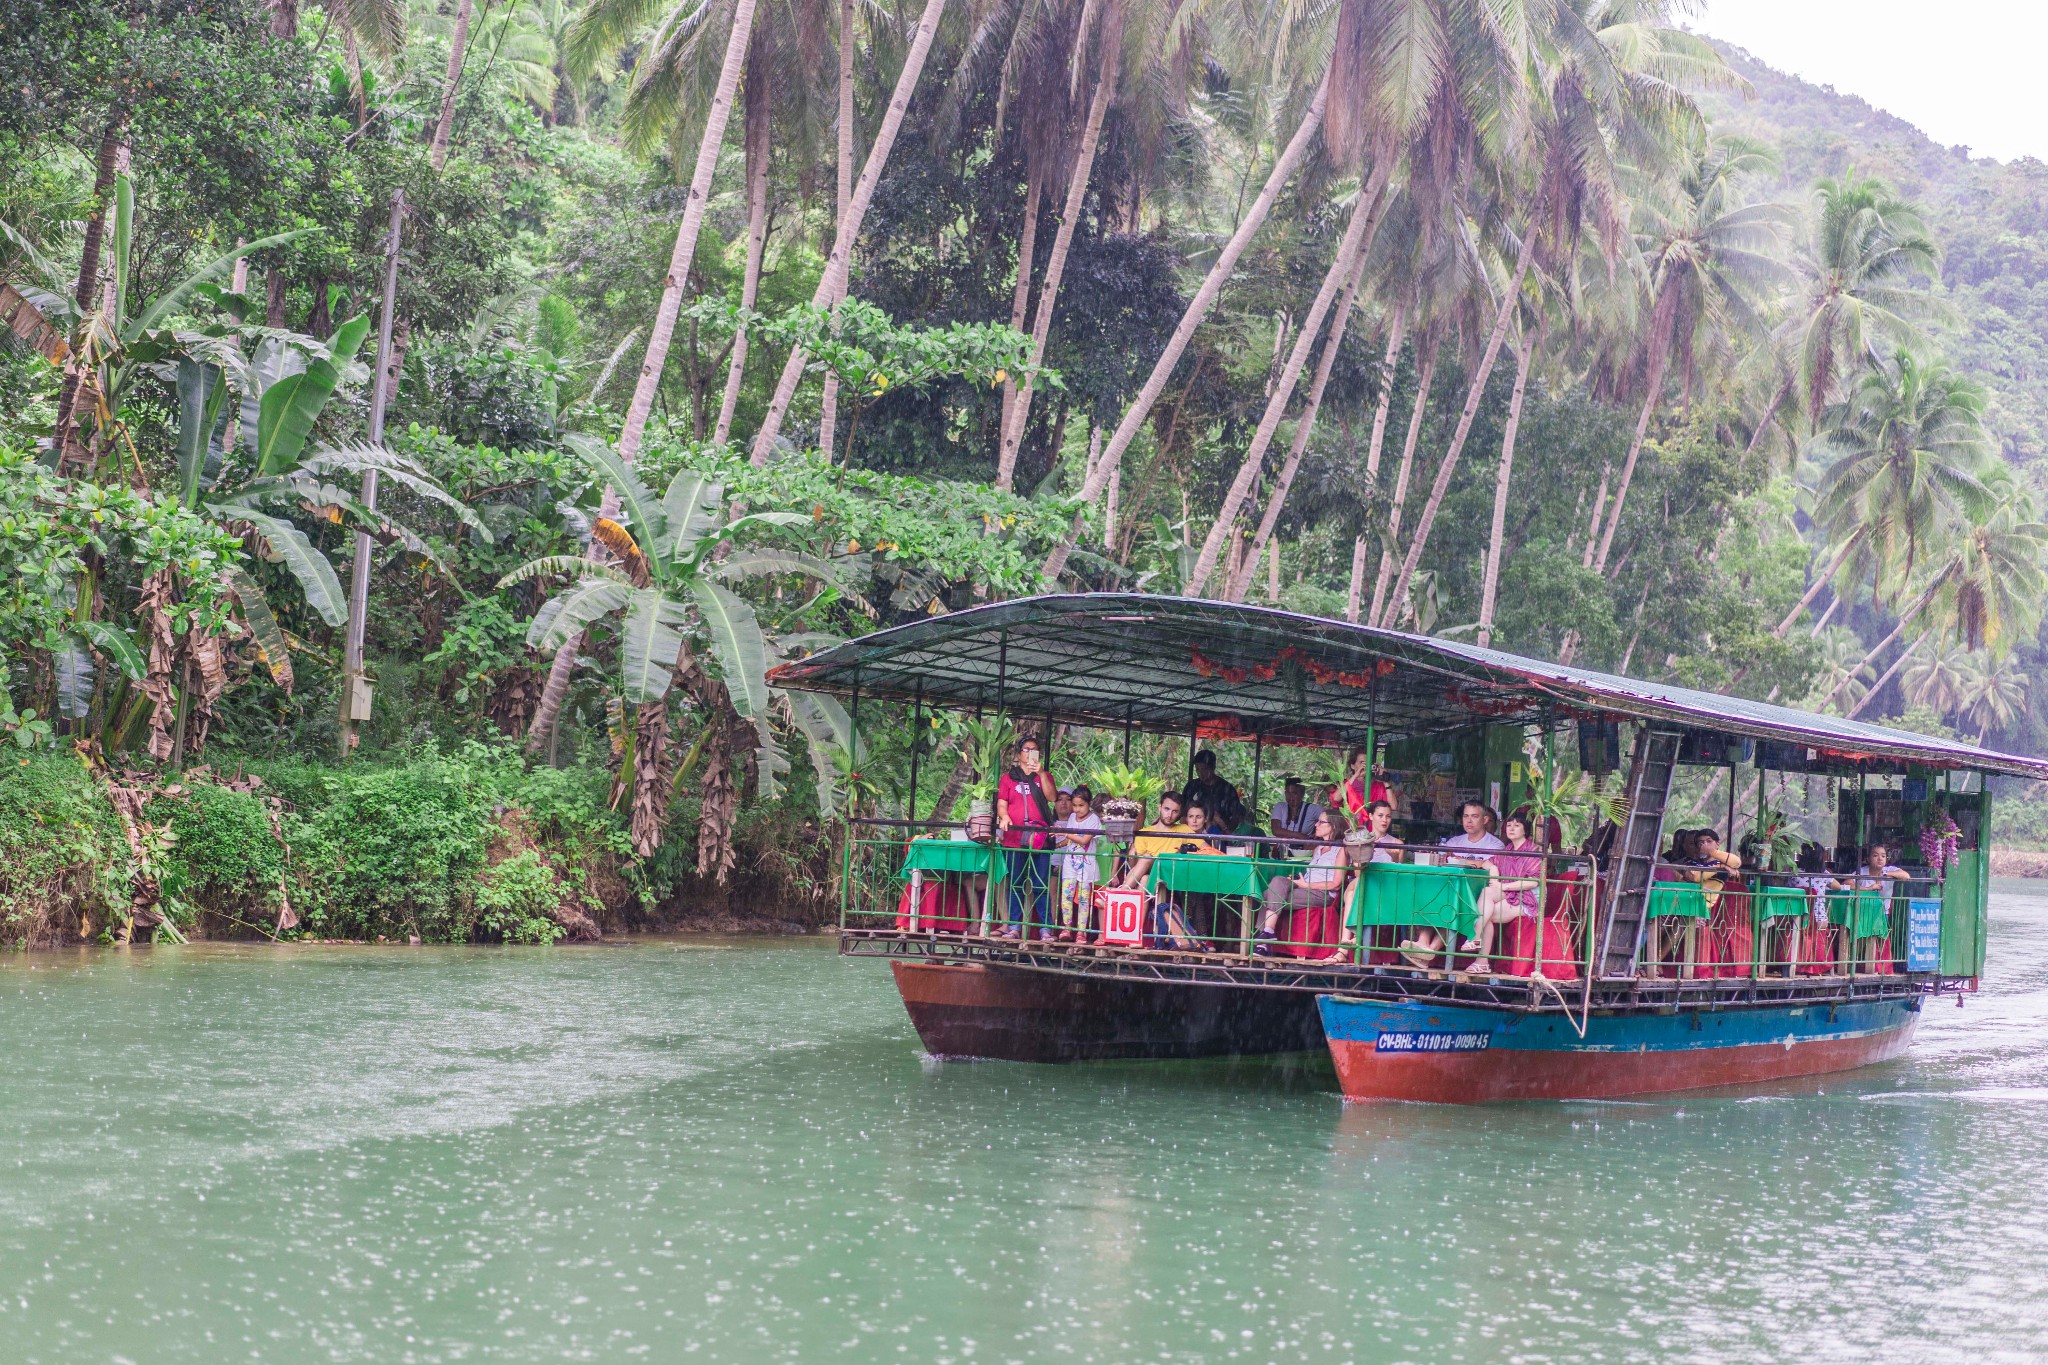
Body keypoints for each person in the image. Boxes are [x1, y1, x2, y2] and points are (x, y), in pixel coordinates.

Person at [1398, 802, 1504, 968]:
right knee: (1434, 900)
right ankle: (1423, 943)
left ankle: (1429, 951)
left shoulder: (1495, 845)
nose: (1469, 821)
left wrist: (1461, 860)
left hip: (1475, 896)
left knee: (1454, 908)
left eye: (1474, 816)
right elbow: (1441, 860)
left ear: (1485, 819)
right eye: (1465, 816)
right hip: (1448, 891)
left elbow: (1490, 865)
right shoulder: (1454, 841)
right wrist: (1475, 862)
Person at [1255, 809, 1350, 954]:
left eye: (1321, 822)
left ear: (1333, 826)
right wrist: (1300, 881)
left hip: (1322, 894)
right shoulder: (1318, 848)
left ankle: (1263, 939)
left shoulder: (1341, 850)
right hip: (1305, 887)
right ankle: (1267, 934)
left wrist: (1306, 885)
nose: (1316, 825)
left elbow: (1336, 884)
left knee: (1268, 895)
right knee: (1278, 881)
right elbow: (1311, 875)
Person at [995, 735, 1058, 940]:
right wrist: (1004, 817)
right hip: (1014, 837)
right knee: (1015, 882)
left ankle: (1045, 929)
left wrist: (1041, 774)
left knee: (1041, 882)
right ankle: (1014, 926)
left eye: (1034, 749)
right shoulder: (1008, 778)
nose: (1030, 752)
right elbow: (1002, 802)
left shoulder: (1044, 775)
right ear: (1019, 753)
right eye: (1026, 749)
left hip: (1040, 837)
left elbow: (1052, 797)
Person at [1052, 785, 1103, 943]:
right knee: (1066, 895)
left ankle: (1081, 932)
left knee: (1083, 899)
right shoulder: (1073, 818)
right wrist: (1057, 844)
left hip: (1086, 866)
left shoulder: (1093, 820)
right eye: (1075, 805)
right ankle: (1066, 928)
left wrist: (1064, 833)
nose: (1077, 809)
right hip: (1070, 863)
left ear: (1089, 804)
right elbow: (1071, 839)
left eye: (1081, 805)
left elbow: (1083, 839)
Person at [1181, 751, 1246, 832]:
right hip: (1192, 832)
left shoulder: (1227, 789)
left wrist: (1225, 832)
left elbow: (1236, 816)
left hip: (1219, 834)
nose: (1200, 773)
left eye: (1204, 769)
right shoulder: (1191, 787)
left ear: (1213, 767)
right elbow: (1183, 810)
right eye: (1198, 769)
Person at [1332, 746, 1392, 826]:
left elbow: (1393, 806)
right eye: (1362, 763)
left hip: (1373, 832)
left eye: (1368, 763)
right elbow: (1336, 798)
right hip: (1352, 830)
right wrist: (1355, 776)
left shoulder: (1378, 786)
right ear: (1352, 766)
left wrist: (1385, 780)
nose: (1365, 767)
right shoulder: (1347, 784)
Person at [1269, 776, 1324, 842]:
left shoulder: (1313, 809)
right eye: (1288, 793)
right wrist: (1300, 836)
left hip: (1304, 850)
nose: (1290, 797)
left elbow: (1332, 822)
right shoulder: (1280, 807)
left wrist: (1318, 835)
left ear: (1302, 794)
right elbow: (1275, 830)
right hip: (1283, 849)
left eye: (1294, 793)